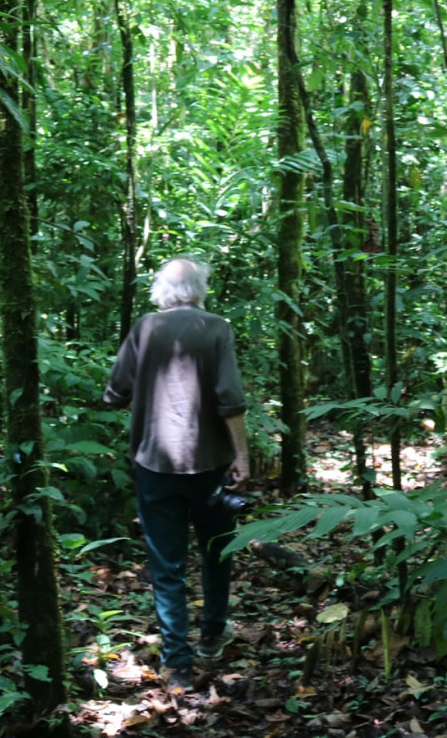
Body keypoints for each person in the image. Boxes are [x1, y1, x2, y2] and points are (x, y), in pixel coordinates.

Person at [104, 257, 250, 690]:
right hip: (211, 464)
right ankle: (211, 634)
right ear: (199, 288)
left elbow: (115, 392)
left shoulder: (145, 328)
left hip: (155, 464)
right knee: (216, 549)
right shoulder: (216, 327)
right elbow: (230, 397)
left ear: (160, 290)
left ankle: (177, 663)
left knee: (166, 564)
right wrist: (242, 454)